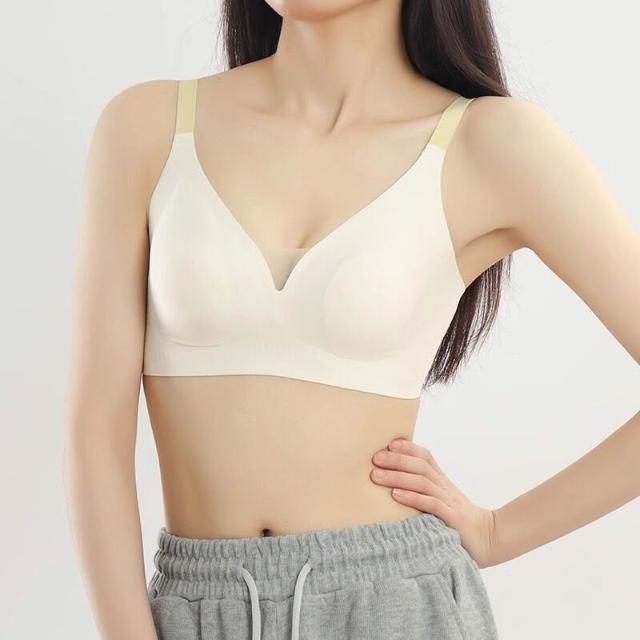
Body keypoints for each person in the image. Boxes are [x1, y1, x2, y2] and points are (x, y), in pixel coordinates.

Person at [62, 1, 640, 639]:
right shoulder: (149, 126)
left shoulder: (490, 143)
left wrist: (499, 532)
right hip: (197, 608)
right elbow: (96, 425)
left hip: (396, 605)